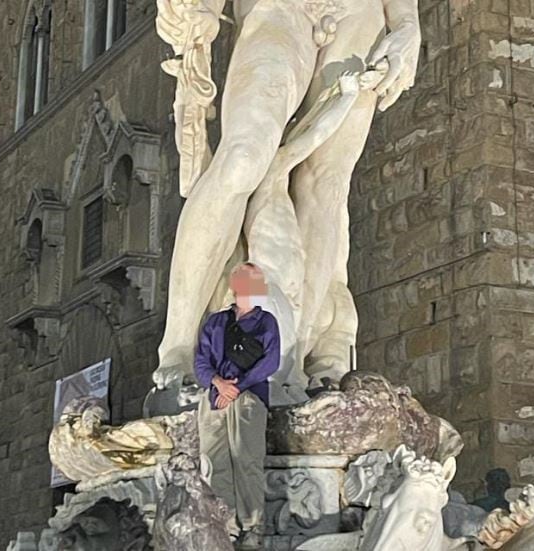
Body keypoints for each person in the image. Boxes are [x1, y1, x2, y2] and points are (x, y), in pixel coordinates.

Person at [153, 0, 422, 392]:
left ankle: (292, 359)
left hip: (360, 13)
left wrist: (407, 26)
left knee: (325, 184)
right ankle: (177, 344)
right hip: (277, 9)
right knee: (242, 156)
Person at [194, 262, 280, 550]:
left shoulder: (265, 321)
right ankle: (226, 526)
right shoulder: (216, 322)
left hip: (248, 396)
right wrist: (218, 383)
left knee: (247, 460)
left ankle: (253, 526)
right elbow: (201, 360)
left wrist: (236, 387)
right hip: (216, 397)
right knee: (215, 463)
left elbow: (270, 361)